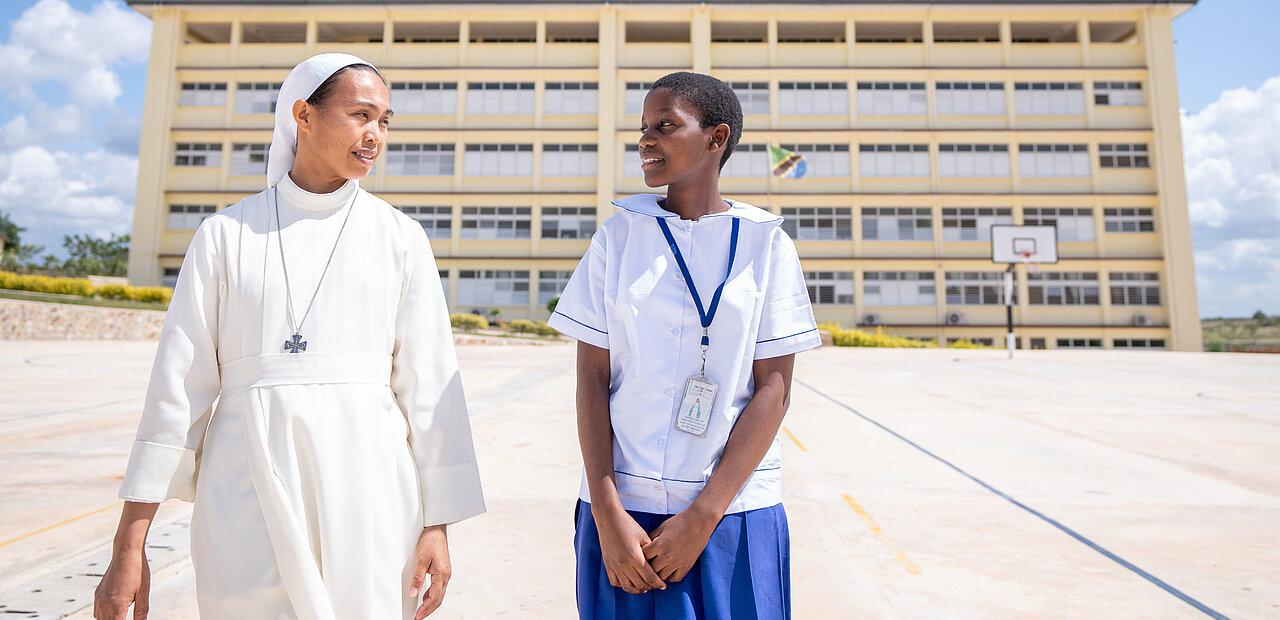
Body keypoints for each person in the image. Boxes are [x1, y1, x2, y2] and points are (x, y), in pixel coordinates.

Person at [93, 53, 484, 620]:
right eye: (360, 115)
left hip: (372, 496)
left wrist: (438, 526)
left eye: (384, 120)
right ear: (303, 115)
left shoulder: (402, 238)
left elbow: (431, 393)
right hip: (244, 488)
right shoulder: (224, 236)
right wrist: (129, 546)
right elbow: (176, 397)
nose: (375, 134)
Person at [547, 72, 821, 619]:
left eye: (665, 126)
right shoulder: (618, 236)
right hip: (625, 516)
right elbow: (591, 380)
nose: (646, 139)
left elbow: (773, 389)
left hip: (731, 514)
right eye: (644, 127)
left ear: (717, 138)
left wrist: (703, 517)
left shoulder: (766, 243)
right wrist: (607, 512)